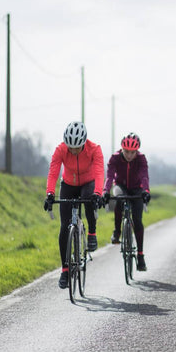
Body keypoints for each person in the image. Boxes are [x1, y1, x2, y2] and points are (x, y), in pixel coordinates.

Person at [44, 120, 105, 289]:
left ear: (84, 143)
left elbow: (99, 172)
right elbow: (53, 172)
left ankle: (92, 233)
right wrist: (50, 193)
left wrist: (98, 193)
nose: (73, 151)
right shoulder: (60, 150)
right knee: (64, 227)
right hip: (68, 184)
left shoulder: (95, 149)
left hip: (88, 183)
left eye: (77, 148)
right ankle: (65, 270)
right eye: (70, 148)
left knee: (88, 198)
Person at [103, 132, 151, 271]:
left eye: (132, 152)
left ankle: (140, 255)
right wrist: (105, 191)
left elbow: (144, 176)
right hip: (121, 186)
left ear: (137, 151)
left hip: (137, 188)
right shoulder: (115, 158)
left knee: (137, 220)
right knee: (119, 198)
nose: (129, 155)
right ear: (122, 149)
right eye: (126, 151)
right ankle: (117, 231)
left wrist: (146, 191)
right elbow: (110, 176)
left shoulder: (141, 159)